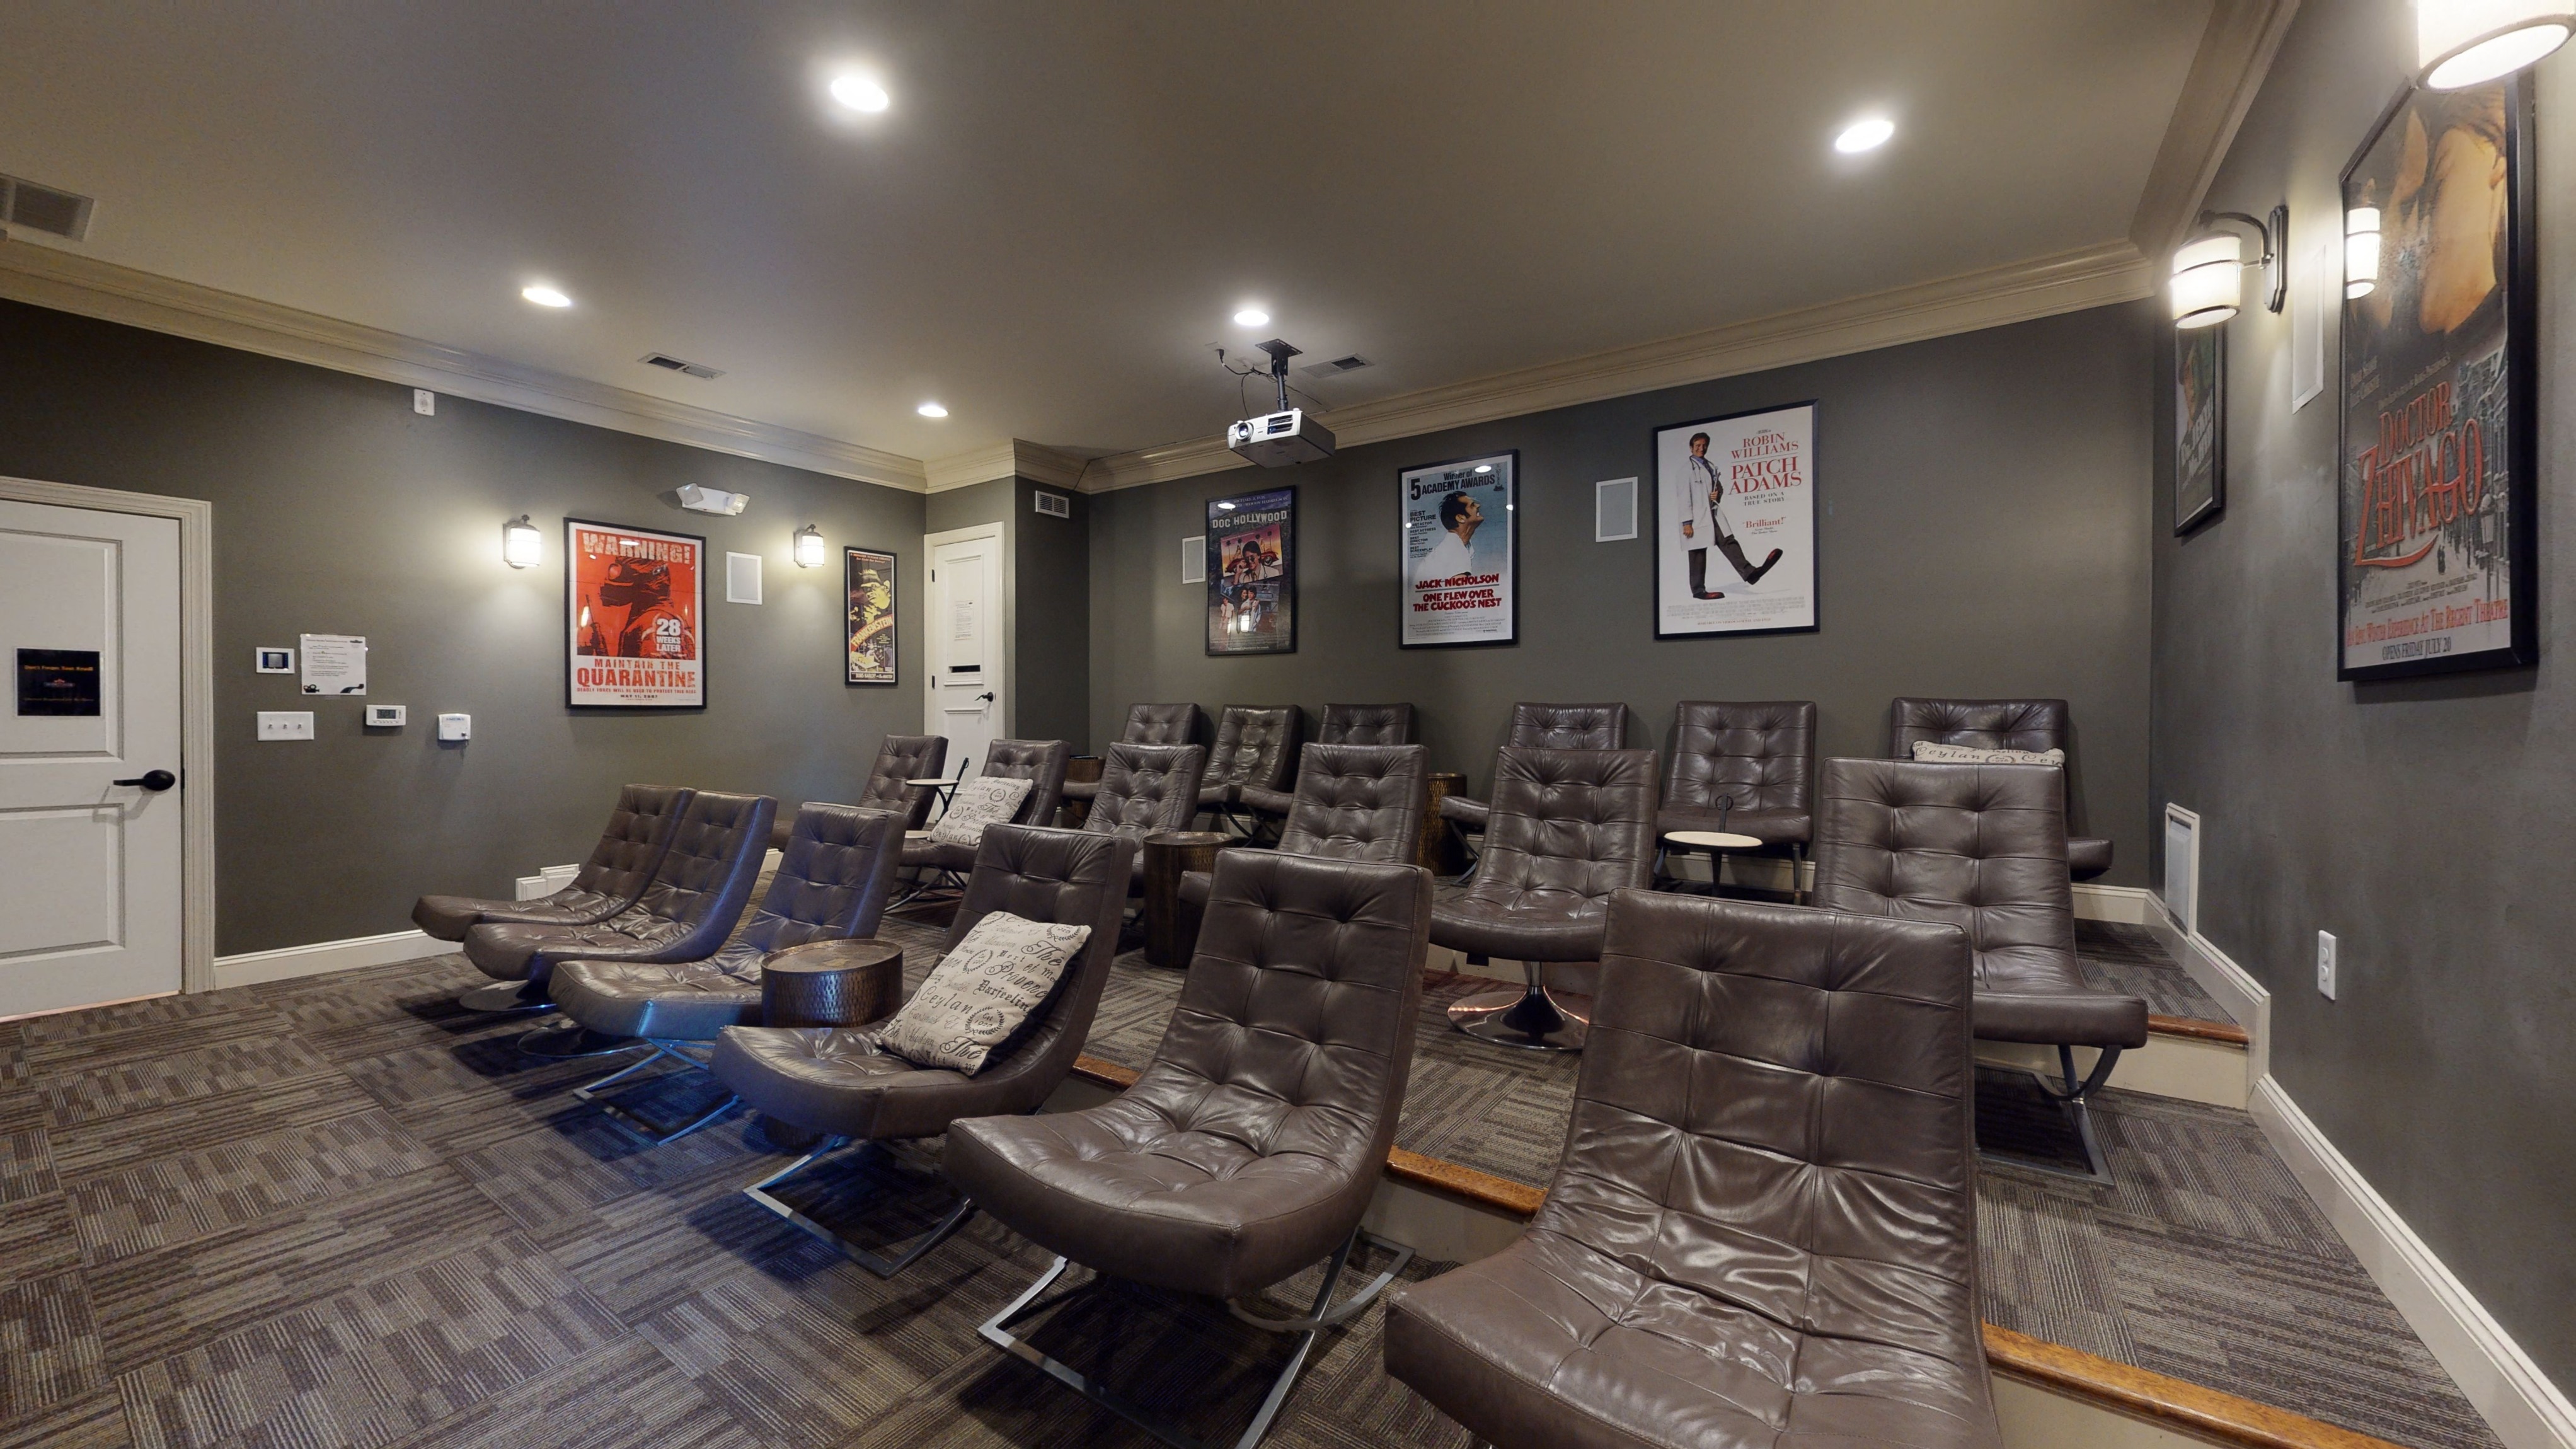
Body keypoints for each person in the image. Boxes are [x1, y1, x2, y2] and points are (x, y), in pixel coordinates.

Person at [1676, 432, 1781, 598]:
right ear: (1691, 448)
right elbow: (1683, 498)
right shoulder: (1686, 470)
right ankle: (1698, 590)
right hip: (1695, 517)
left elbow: (1719, 488)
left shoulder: (1710, 466)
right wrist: (1687, 523)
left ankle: (1750, 573)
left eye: (1704, 446)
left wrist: (1717, 494)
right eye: (1697, 446)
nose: (1701, 449)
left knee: (1728, 541)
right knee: (1697, 552)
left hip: (1712, 512)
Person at [1412, 491, 1483, 584]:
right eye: (1472, 505)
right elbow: (1459, 595)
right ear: (1461, 518)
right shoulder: (1456, 549)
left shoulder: (1451, 546)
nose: (1478, 506)